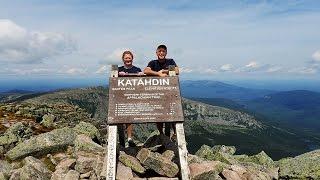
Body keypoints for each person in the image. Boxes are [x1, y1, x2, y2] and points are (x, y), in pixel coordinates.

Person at [144, 44, 179, 136]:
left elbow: (177, 71)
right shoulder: (153, 62)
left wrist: (164, 71)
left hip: (169, 92)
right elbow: (146, 71)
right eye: (159, 51)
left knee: (173, 112)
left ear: (166, 53)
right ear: (156, 52)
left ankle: (175, 133)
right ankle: (161, 134)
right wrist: (158, 74)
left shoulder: (170, 61)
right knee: (158, 114)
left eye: (163, 51)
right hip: (156, 93)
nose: (161, 53)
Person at [119, 50, 142, 147]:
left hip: (133, 96)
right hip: (121, 96)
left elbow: (142, 83)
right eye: (126, 58)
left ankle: (129, 138)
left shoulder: (137, 69)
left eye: (129, 57)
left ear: (132, 58)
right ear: (123, 59)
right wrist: (118, 74)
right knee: (119, 119)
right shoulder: (118, 69)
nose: (128, 59)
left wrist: (142, 75)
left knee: (129, 117)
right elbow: (113, 80)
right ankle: (121, 141)